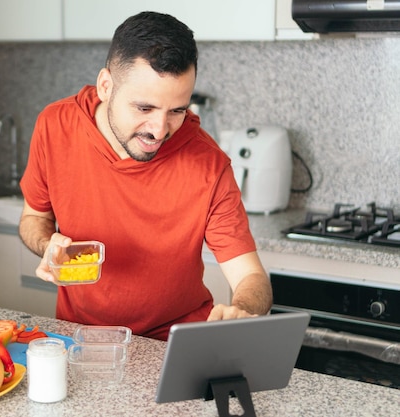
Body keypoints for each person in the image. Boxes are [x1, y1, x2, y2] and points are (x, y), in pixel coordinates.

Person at [18, 11, 272, 341]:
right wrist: (47, 245)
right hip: (82, 339)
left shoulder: (208, 164)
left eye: (177, 110)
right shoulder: (56, 126)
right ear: (106, 86)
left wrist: (243, 310)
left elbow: (251, 276)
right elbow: (34, 217)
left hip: (174, 343)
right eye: (144, 109)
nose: (159, 129)